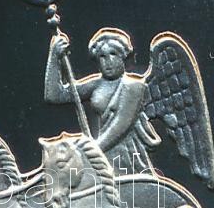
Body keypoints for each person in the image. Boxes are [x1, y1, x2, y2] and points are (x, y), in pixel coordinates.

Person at [44, 27, 160, 175]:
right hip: (102, 153)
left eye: (113, 54)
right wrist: (54, 56)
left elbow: (120, 125)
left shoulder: (134, 86)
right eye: (102, 56)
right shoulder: (96, 84)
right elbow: (55, 95)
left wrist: (91, 152)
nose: (108, 62)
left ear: (123, 56)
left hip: (126, 155)